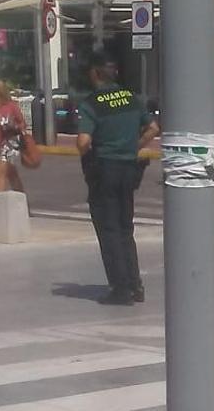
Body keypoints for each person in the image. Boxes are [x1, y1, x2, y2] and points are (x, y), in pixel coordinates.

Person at [77, 54, 160, 306]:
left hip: (105, 169)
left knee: (109, 229)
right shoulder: (130, 98)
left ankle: (120, 288)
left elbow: (83, 141)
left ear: (95, 73)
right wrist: (133, 146)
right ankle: (136, 285)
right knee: (125, 228)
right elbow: (154, 128)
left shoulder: (92, 103)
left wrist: (87, 151)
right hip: (129, 168)